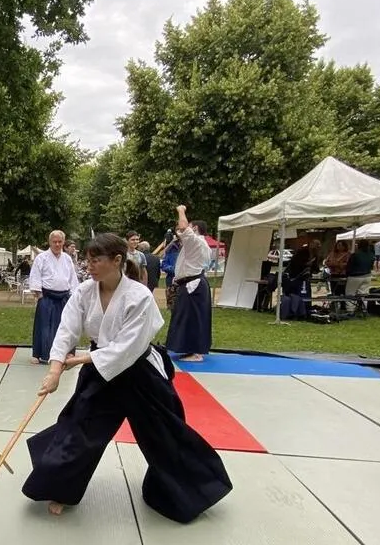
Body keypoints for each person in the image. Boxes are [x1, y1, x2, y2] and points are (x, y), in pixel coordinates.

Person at [21, 233, 232, 523]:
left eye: (95, 260)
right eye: (88, 260)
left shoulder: (139, 296)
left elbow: (128, 346)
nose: (89, 266)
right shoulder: (84, 292)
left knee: (164, 434)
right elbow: (66, 330)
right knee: (79, 429)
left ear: (116, 260)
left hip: (140, 374)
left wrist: (81, 360)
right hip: (100, 372)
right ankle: (60, 487)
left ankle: (192, 491)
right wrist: (55, 370)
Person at [165, 206, 211, 362]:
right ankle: (190, 349)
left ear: (195, 228)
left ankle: (195, 352)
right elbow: (182, 230)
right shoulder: (199, 244)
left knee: (192, 318)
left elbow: (184, 228)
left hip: (193, 285)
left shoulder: (195, 242)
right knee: (189, 317)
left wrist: (181, 210)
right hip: (192, 283)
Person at [28, 230, 79, 363]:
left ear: (63, 242)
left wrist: (74, 295)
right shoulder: (42, 258)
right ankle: (38, 354)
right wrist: (39, 294)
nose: (57, 244)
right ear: (49, 242)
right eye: (54, 242)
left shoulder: (67, 258)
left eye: (59, 242)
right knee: (44, 326)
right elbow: (35, 276)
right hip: (46, 296)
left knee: (66, 327)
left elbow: (72, 278)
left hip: (64, 297)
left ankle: (66, 353)